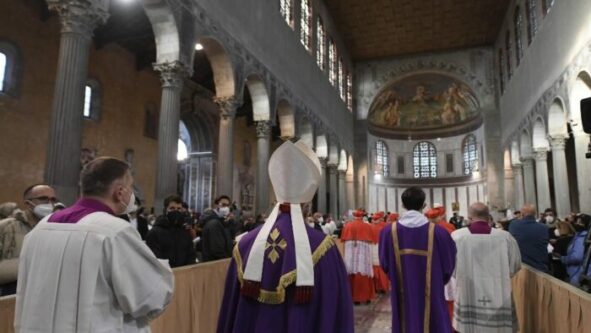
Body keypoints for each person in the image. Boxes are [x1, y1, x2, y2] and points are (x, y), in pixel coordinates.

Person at [15, 157, 173, 332]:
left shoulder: (41, 227)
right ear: (119, 192)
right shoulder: (114, 232)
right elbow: (150, 298)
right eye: (130, 188)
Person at [217, 140, 354, 332]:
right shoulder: (324, 249)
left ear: (276, 199)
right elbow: (335, 311)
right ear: (308, 204)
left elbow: (230, 311)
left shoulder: (244, 245)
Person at [379, 187, 456, 333]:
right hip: (432, 290)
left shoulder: (389, 232)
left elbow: (385, 263)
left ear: (402, 205)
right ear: (423, 205)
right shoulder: (439, 233)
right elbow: (448, 265)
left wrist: (397, 277)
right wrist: (437, 280)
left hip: (401, 290)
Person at [451, 202, 521, 333]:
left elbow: (451, 267)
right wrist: (501, 276)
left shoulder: (457, 236)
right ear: (488, 216)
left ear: (469, 217)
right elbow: (515, 265)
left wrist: (461, 275)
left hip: (467, 292)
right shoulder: (505, 237)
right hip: (499, 293)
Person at [0, 184, 57, 296]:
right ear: (27, 203)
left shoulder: (56, 228)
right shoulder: (6, 227)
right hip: (10, 294)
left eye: (53, 200)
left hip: (42, 294)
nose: (49, 203)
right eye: (43, 199)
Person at [146, 195, 196, 268]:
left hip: (184, 274)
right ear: (165, 210)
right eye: (172, 208)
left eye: (179, 209)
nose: (176, 211)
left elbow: (191, 255)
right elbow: (155, 260)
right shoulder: (154, 233)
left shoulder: (185, 231)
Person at [342, 208, 376, 304]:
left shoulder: (348, 225)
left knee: (351, 270)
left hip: (350, 250)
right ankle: (366, 297)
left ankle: (354, 298)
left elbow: (343, 239)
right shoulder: (367, 226)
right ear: (362, 216)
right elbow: (371, 239)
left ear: (354, 216)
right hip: (363, 250)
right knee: (364, 269)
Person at [509, 204, 549, 273]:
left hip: (521, 270)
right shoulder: (544, 228)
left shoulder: (514, 225)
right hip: (540, 268)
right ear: (535, 214)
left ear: (522, 214)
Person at [199, 195, 234, 262]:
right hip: (214, 262)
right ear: (216, 205)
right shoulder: (213, 222)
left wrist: (230, 222)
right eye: (223, 205)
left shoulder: (222, 221)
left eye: (227, 205)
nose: (226, 207)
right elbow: (217, 249)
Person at [560, 214, 590, 286]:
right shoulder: (580, 236)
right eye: (577, 222)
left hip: (578, 275)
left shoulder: (582, 238)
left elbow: (577, 257)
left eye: (581, 223)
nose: (577, 224)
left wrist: (564, 259)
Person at [370, 211, 390, 293]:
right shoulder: (385, 226)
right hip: (381, 248)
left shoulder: (369, 227)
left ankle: (375, 287)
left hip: (372, 248)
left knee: (373, 267)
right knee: (382, 268)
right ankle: (383, 286)